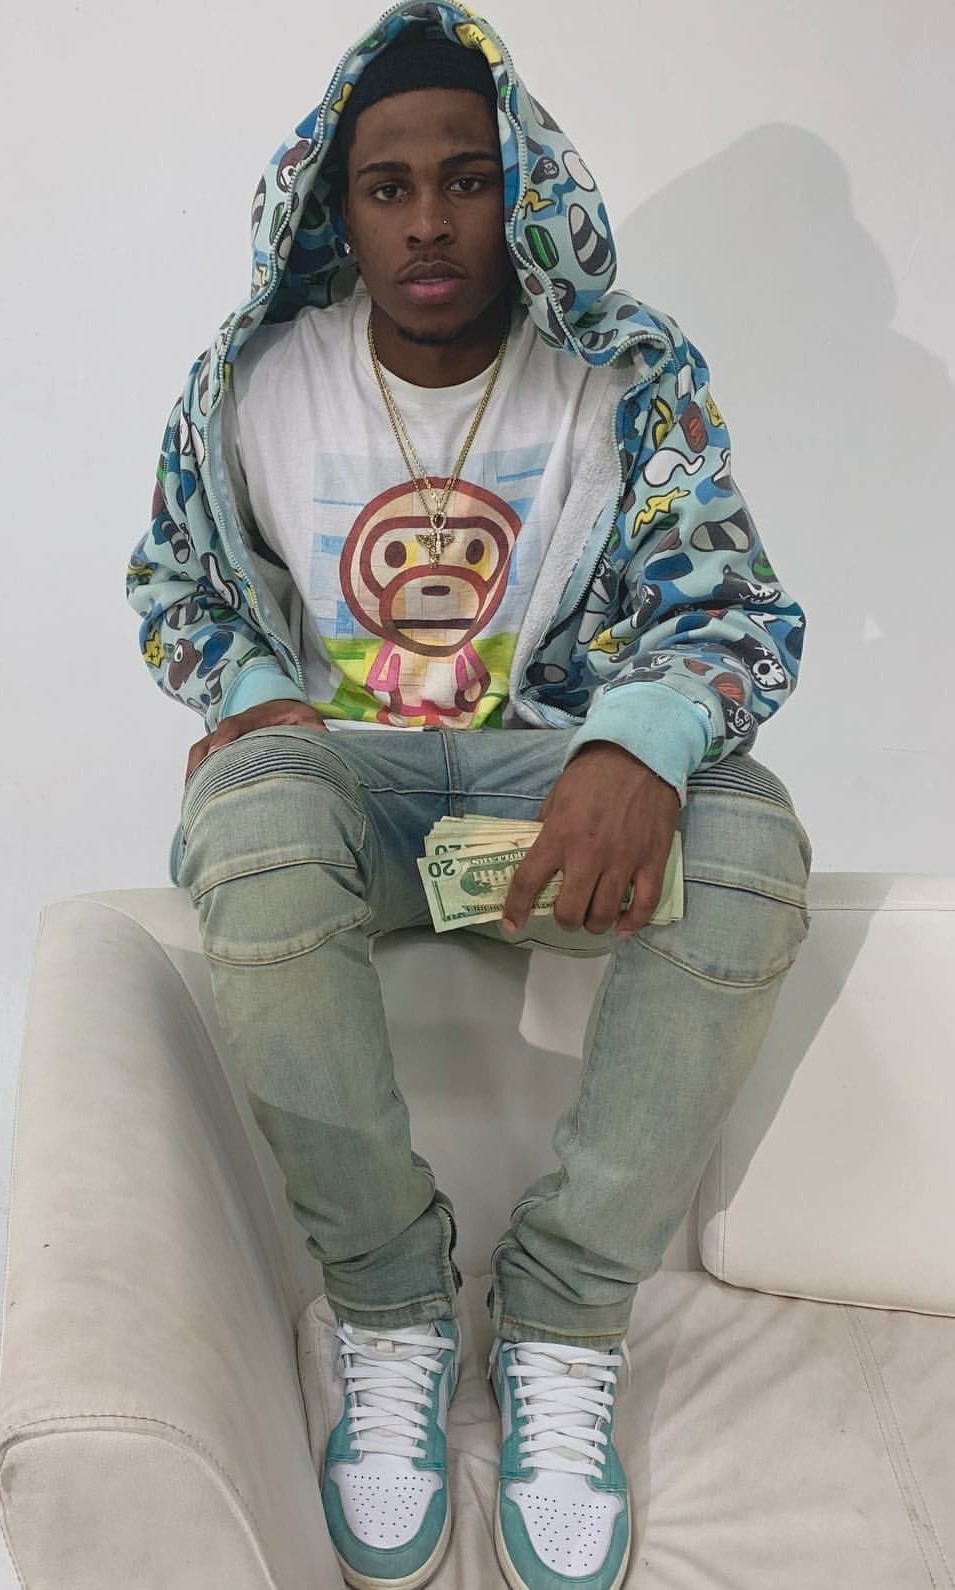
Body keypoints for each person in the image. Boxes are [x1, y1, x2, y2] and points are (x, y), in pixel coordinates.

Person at [127, 7, 811, 1587]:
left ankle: (565, 1313)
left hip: (541, 783)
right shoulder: (251, 385)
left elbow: (731, 604)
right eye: (389, 187)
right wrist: (256, 697)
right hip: (356, 793)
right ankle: (391, 1300)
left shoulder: (624, 376)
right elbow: (175, 584)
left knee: (750, 838)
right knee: (252, 810)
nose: (429, 220)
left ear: (525, 190)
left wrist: (638, 743)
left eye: (467, 179)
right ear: (337, 206)